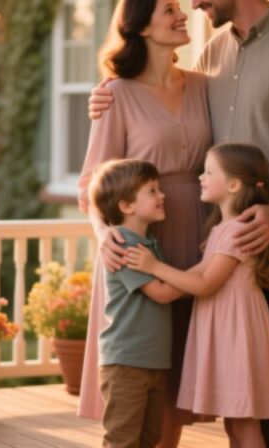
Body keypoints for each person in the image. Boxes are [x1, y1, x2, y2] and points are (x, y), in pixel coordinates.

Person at [90, 0, 269, 448]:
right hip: (222, 220)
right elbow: (162, 99)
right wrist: (109, 92)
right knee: (254, 366)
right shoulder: (213, 52)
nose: (194, 3)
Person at [77, 0, 214, 447]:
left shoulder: (203, 86)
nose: (182, 15)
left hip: (198, 236)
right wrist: (104, 235)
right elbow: (91, 185)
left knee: (175, 373)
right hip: (141, 244)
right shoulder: (115, 94)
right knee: (145, 366)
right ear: (140, 28)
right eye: (169, 10)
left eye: (181, 6)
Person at [125, 143, 269, 448]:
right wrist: (162, 288)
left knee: (245, 425)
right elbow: (199, 271)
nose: (201, 177)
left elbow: (206, 284)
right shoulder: (221, 228)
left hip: (236, 331)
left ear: (234, 184)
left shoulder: (238, 231)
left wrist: (154, 266)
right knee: (234, 426)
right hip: (225, 326)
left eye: (209, 172)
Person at [88, 159, 187, 448]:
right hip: (126, 363)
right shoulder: (126, 246)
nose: (162, 195)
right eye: (152, 191)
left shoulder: (149, 244)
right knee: (122, 440)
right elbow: (161, 293)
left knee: (149, 438)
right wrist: (198, 283)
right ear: (126, 206)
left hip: (152, 361)